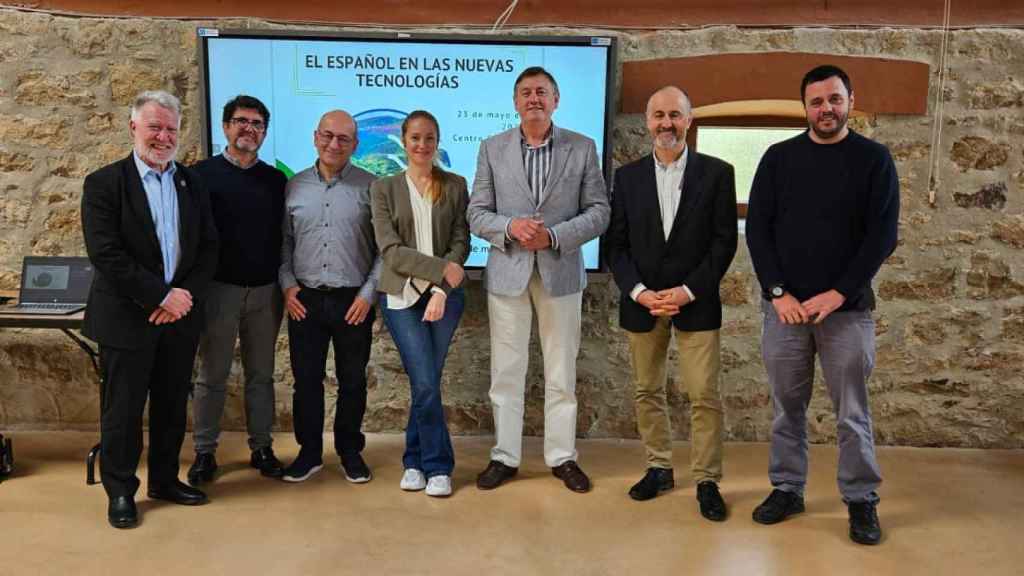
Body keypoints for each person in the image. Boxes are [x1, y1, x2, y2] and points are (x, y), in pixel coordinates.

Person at [745, 64, 899, 545]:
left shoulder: (874, 159)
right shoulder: (778, 159)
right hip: (785, 313)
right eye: (816, 101)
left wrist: (839, 293)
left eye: (834, 99)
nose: (826, 109)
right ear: (804, 107)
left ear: (850, 99)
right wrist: (777, 293)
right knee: (786, 407)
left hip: (847, 312)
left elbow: (881, 236)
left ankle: (861, 500)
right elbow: (758, 231)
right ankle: (788, 489)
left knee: (852, 412)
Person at [467, 66, 610, 493]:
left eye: (542, 92)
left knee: (561, 372)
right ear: (515, 102)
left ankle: (562, 457)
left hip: (561, 271)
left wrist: (554, 235)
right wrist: (511, 227)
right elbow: (476, 212)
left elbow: (600, 210)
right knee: (506, 371)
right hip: (508, 272)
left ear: (556, 100)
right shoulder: (491, 148)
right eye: (526, 92)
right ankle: (505, 457)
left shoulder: (582, 148)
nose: (534, 98)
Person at [81, 90, 219, 528]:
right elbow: (106, 254)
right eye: (155, 127)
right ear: (133, 128)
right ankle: (120, 491)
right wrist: (160, 295)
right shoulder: (104, 183)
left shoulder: (191, 182)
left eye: (171, 129)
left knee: (171, 404)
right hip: (127, 317)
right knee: (122, 410)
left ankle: (164, 479)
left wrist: (180, 298)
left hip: (179, 318)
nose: (163, 136)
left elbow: (208, 248)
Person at [607, 86, 737, 520]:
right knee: (647, 390)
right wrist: (640, 292)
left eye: (675, 115)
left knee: (704, 394)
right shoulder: (626, 179)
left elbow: (722, 244)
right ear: (648, 122)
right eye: (658, 115)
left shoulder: (718, 174)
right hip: (643, 304)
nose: (666, 123)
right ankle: (658, 467)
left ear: (689, 119)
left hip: (695, 302)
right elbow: (616, 246)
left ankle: (707, 479)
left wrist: (687, 291)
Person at [187, 95, 288, 485]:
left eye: (258, 124)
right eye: (242, 121)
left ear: (265, 132)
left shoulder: (275, 180)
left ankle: (261, 447)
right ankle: (204, 452)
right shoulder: (200, 175)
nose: (249, 129)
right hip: (219, 292)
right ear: (226, 127)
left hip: (265, 293)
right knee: (212, 375)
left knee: (261, 376)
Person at [370, 111, 470, 498]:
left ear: (438, 140)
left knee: (425, 381)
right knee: (425, 381)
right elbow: (391, 252)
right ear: (403, 140)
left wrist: (443, 287)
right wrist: (443, 268)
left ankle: (414, 460)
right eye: (415, 138)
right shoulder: (383, 188)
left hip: (446, 298)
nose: (422, 145)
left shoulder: (456, 185)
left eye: (429, 138)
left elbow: (461, 241)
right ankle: (439, 465)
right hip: (402, 297)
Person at [279, 110, 380, 483]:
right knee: (306, 380)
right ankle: (309, 454)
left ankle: (350, 451)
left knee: (352, 380)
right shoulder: (293, 186)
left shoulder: (373, 186)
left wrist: (368, 295)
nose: (334, 144)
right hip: (304, 299)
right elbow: (284, 243)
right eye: (327, 136)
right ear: (315, 137)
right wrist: (288, 286)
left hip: (354, 301)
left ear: (355, 145)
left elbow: (386, 247)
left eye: (343, 139)